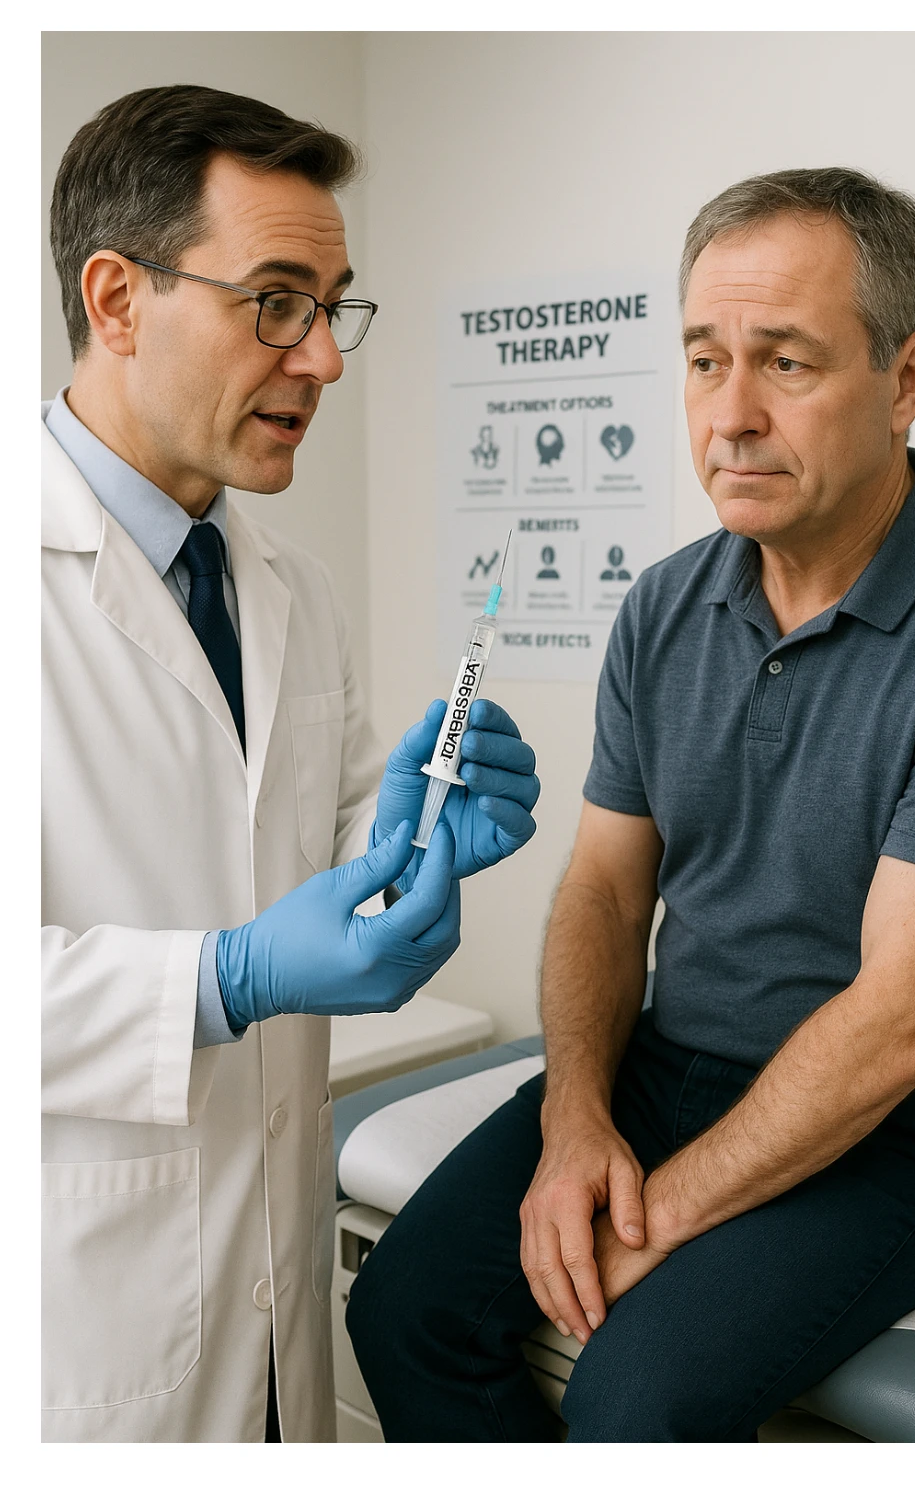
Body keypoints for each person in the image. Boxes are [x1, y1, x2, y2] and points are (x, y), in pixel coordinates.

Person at [346, 167, 915, 1442]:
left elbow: (903, 1026)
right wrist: (577, 1117)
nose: (729, 416)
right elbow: (601, 887)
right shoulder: (665, 603)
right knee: (401, 1309)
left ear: (905, 377)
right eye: (703, 361)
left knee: (640, 1393)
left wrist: (662, 1221)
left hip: (898, 1125)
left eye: (786, 363)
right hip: (663, 1066)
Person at [41, 84, 541, 1444]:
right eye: (275, 301)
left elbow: (312, 856)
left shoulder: (287, 586)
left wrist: (419, 839)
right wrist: (229, 978)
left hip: (271, 1303)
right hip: (78, 1338)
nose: (323, 359)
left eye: (333, 307)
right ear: (117, 297)